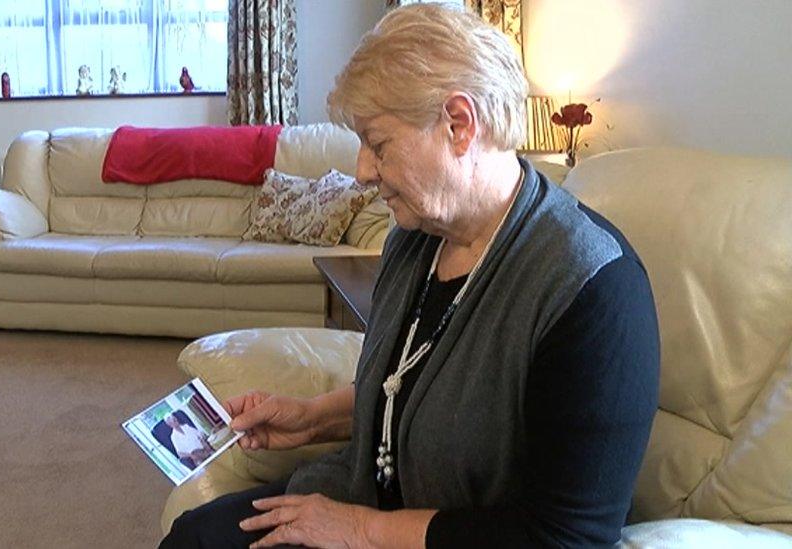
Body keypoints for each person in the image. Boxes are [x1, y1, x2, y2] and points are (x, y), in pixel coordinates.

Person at [161, 4, 659, 548]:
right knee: (197, 536)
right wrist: (309, 419)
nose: (362, 170)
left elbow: (564, 538)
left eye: (378, 144)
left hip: (446, 535)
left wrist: (358, 529)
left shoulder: (592, 291)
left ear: (459, 124)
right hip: (366, 494)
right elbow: (411, 387)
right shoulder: (415, 237)